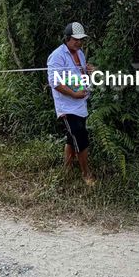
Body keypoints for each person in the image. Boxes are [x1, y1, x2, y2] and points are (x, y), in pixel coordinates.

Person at [47, 22, 96, 186]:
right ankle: (86, 173)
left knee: (71, 137)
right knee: (81, 136)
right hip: (67, 106)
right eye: (76, 39)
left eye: (81, 39)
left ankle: (66, 169)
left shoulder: (80, 54)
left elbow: (80, 75)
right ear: (67, 38)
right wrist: (74, 94)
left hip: (80, 103)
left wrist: (88, 72)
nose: (79, 42)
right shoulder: (57, 56)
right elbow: (54, 82)